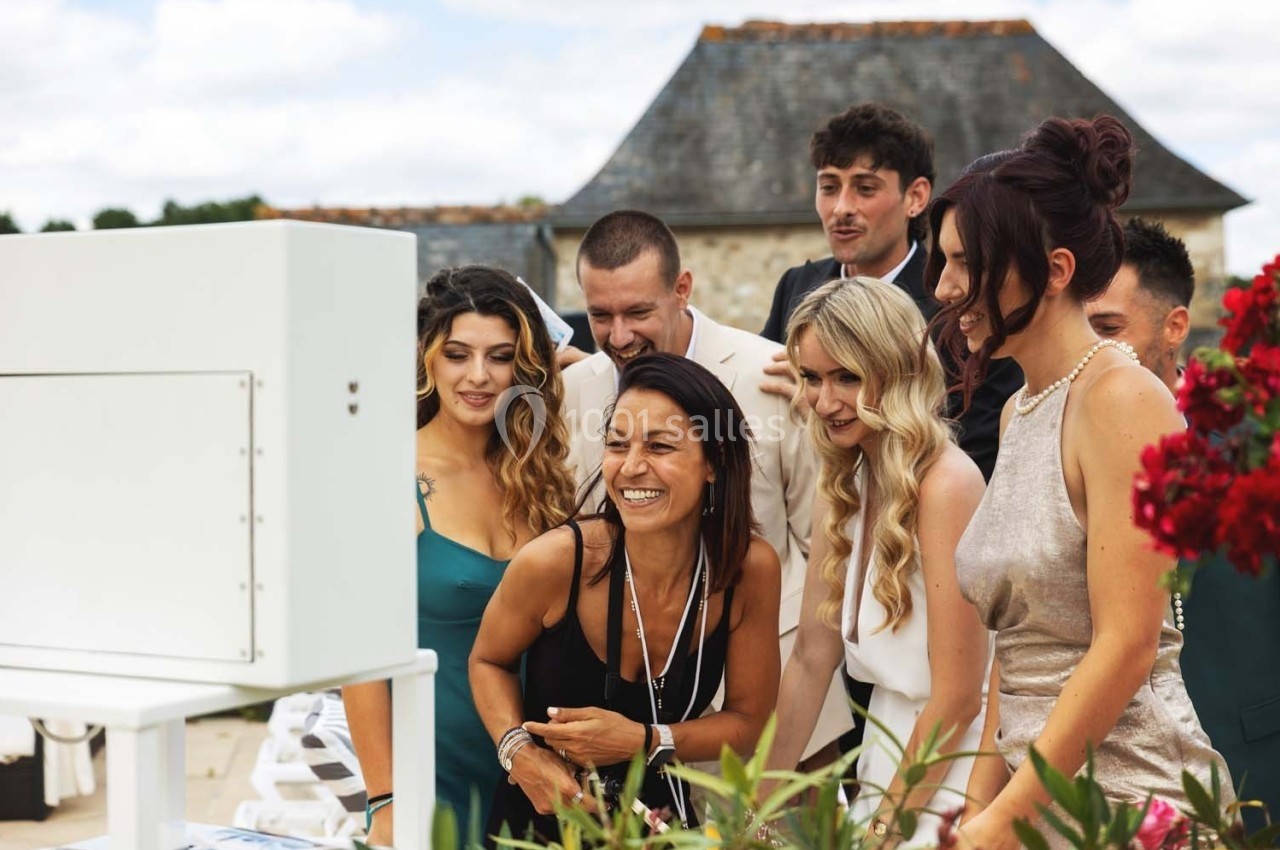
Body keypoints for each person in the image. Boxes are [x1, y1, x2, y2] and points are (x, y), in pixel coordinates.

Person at [927, 116, 1234, 850]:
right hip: (1028, 795)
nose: (943, 287)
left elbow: (1127, 645)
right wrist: (978, 800)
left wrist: (1007, 817)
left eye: (966, 262)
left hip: (1126, 801)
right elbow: (1017, 643)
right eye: (944, 262)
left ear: (1056, 271)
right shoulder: (1018, 412)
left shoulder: (1123, 401)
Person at [560, 210, 851, 763]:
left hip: (782, 705)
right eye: (601, 315)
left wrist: (798, 684)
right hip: (623, 721)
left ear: (682, 288)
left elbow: (826, 545)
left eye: (639, 312)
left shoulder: (774, 375)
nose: (619, 337)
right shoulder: (573, 390)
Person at [470, 353, 781, 845]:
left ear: (716, 464)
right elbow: (488, 660)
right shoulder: (555, 562)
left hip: (664, 826)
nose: (632, 468)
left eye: (660, 446)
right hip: (543, 820)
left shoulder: (749, 568)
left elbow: (748, 721)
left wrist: (644, 740)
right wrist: (520, 754)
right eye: (617, 445)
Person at [342, 266, 577, 846]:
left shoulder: (540, 475)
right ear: (426, 358)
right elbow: (361, 660)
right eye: (456, 354)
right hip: (431, 778)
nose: (478, 376)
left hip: (542, 775)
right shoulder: (387, 474)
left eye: (499, 357)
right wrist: (387, 800)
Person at [766, 277, 989, 846]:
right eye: (812, 378)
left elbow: (959, 696)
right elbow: (813, 658)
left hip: (957, 774)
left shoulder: (947, 484)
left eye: (847, 376)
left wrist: (886, 831)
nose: (825, 401)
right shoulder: (844, 478)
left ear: (897, 371)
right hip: (884, 768)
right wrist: (756, 807)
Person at [1088, 218, 1280, 828]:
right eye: (1081, 330)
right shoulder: (1059, 445)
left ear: (1175, 327)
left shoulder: (1253, 440)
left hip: (1252, 762)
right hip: (1108, 787)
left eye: (1109, 329)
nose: (1092, 352)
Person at [758, 102, 1022, 483]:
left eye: (865, 188)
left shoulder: (962, 303)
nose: (842, 208)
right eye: (829, 187)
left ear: (916, 197)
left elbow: (982, 454)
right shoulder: (795, 288)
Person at [1086, 217, 1192, 392]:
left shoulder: (1232, 415)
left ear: (1176, 327)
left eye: (1108, 328)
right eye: (1076, 327)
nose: (1085, 347)